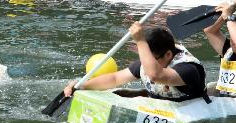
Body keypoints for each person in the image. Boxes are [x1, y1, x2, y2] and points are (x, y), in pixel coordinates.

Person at [63, 23, 207, 102]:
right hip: (158, 102)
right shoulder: (150, 60)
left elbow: (156, 75)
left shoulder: (188, 69)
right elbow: (115, 78)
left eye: (151, 58)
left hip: (188, 109)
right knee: (116, 92)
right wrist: (81, 85)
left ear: (168, 54)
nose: (146, 62)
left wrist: (140, 40)